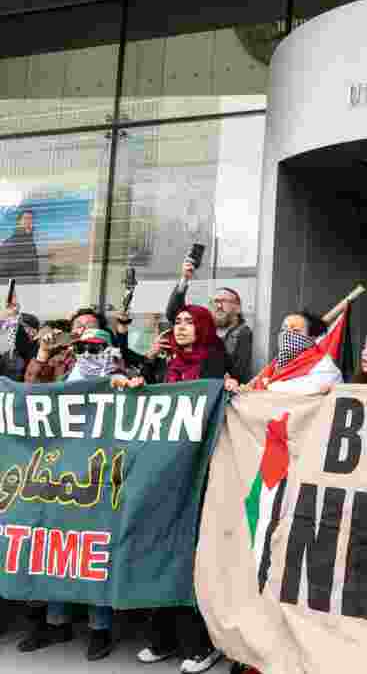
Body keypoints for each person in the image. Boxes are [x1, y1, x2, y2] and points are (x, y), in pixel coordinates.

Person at [114, 306, 225, 673]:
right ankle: (162, 637)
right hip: (160, 473)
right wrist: (133, 382)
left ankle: (200, 644)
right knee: (157, 549)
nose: (181, 328)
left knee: (188, 556)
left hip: (197, 476)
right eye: (177, 322)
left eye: (189, 322)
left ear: (204, 328)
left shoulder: (216, 362)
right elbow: (137, 389)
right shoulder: (163, 362)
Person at [16, 328, 124, 661]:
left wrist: (126, 381)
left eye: (97, 346)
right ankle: (56, 623)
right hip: (59, 471)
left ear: (109, 348)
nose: (90, 352)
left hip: (100, 474)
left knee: (93, 552)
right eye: (83, 346)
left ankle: (99, 628)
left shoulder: (122, 377)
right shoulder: (63, 374)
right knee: (54, 549)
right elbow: (30, 394)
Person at [168, 257, 253, 383]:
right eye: (215, 302)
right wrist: (185, 279)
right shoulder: (204, 329)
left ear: (238, 307)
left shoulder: (241, 334)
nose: (218, 306)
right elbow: (174, 313)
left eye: (224, 301)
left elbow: (237, 374)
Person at [0, 209, 39, 279]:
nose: (29, 221)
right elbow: (3, 267)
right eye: (26, 218)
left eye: (31, 219)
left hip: (30, 283)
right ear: (19, 222)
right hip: (19, 283)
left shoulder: (30, 241)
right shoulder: (12, 241)